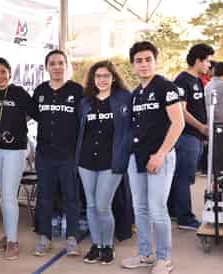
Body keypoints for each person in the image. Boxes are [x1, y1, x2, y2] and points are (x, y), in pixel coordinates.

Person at [121, 41, 184, 274]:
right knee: (141, 208)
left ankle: (164, 259)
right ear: (133, 65)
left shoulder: (166, 87)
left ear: (155, 62)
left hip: (160, 157)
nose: (144, 64)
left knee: (157, 208)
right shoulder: (136, 93)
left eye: (148, 59)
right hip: (136, 158)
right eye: (139, 60)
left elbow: (178, 123)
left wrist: (160, 154)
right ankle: (146, 254)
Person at [76, 60, 132, 265]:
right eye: (98, 76)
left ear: (113, 77)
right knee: (90, 205)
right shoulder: (86, 102)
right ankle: (96, 244)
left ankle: (108, 245)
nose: (101, 80)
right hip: (86, 160)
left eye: (106, 76)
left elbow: (132, 126)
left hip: (112, 161)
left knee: (102, 205)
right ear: (93, 79)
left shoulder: (124, 98)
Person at [0, 57, 37, 260]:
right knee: (4, 193)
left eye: (3, 71)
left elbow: (35, 113)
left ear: (9, 72)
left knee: (8, 195)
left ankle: (13, 242)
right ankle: (9, 235)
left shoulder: (19, 93)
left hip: (15, 150)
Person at [32, 49, 83, 257]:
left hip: (69, 155)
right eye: (52, 63)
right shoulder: (40, 91)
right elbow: (34, 115)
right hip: (45, 154)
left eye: (61, 63)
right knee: (45, 197)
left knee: (72, 197)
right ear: (47, 67)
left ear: (66, 66)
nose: (57, 67)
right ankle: (45, 237)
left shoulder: (77, 90)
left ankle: (71, 238)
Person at [169, 44, 214, 230]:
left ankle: (173, 211)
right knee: (183, 177)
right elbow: (181, 110)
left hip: (196, 137)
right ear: (198, 60)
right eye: (207, 61)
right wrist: (201, 127)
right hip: (186, 136)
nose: (209, 65)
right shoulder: (182, 80)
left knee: (184, 176)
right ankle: (185, 218)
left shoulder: (198, 80)